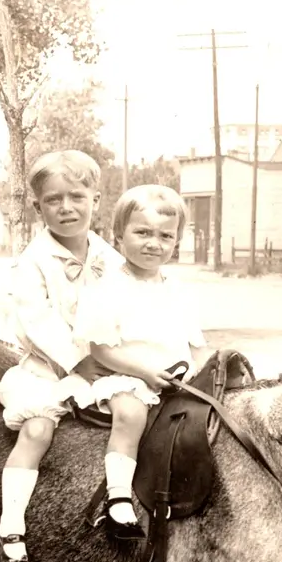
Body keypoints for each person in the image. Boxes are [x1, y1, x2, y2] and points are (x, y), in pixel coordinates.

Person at [0, 149, 124, 562]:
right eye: (54, 200)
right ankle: (11, 529)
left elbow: (128, 308)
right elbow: (35, 319)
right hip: (49, 368)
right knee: (38, 428)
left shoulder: (112, 258)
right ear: (37, 207)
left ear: (96, 200)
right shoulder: (32, 260)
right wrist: (76, 361)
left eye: (76, 197)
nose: (66, 208)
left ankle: (121, 505)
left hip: (103, 364)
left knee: (138, 417)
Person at [73, 185, 210, 540]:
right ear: (119, 235)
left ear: (176, 241)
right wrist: (145, 373)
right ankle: (117, 497)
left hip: (175, 379)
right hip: (128, 375)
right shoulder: (107, 289)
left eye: (165, 236)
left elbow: (195, 345)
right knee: (131, 414)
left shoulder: (177, 290)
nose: (154, 243)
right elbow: (101, 351)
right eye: (143, 232)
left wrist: (202, 369)